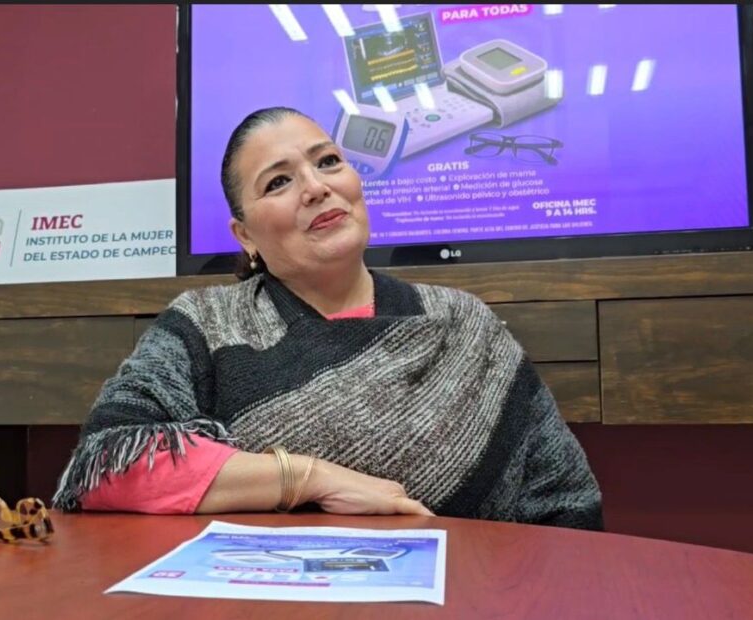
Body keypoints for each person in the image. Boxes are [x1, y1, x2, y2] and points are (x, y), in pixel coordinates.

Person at [52, 106, 603, 530]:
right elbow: (108, 464)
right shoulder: (206, 323)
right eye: (278, 182)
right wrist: (308, 477)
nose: (317, 187)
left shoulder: (462, 322)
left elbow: (564, 502)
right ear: (245, 236)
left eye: (328, 162)